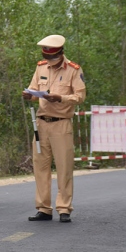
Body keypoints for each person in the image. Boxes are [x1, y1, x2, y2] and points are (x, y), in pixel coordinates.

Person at [22, 34, 86, 223]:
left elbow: (80, 96)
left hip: (61, 123)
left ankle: (64, 208)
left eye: (53, 57)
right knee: (40, 167)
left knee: (64, 168)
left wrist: (61, 98)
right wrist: (29, 95)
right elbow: (34, 89)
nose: (49, 60)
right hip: (41, 123)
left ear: (60, 53)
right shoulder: (41, 67)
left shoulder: (73, 70)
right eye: (47, 57)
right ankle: (44, 208)